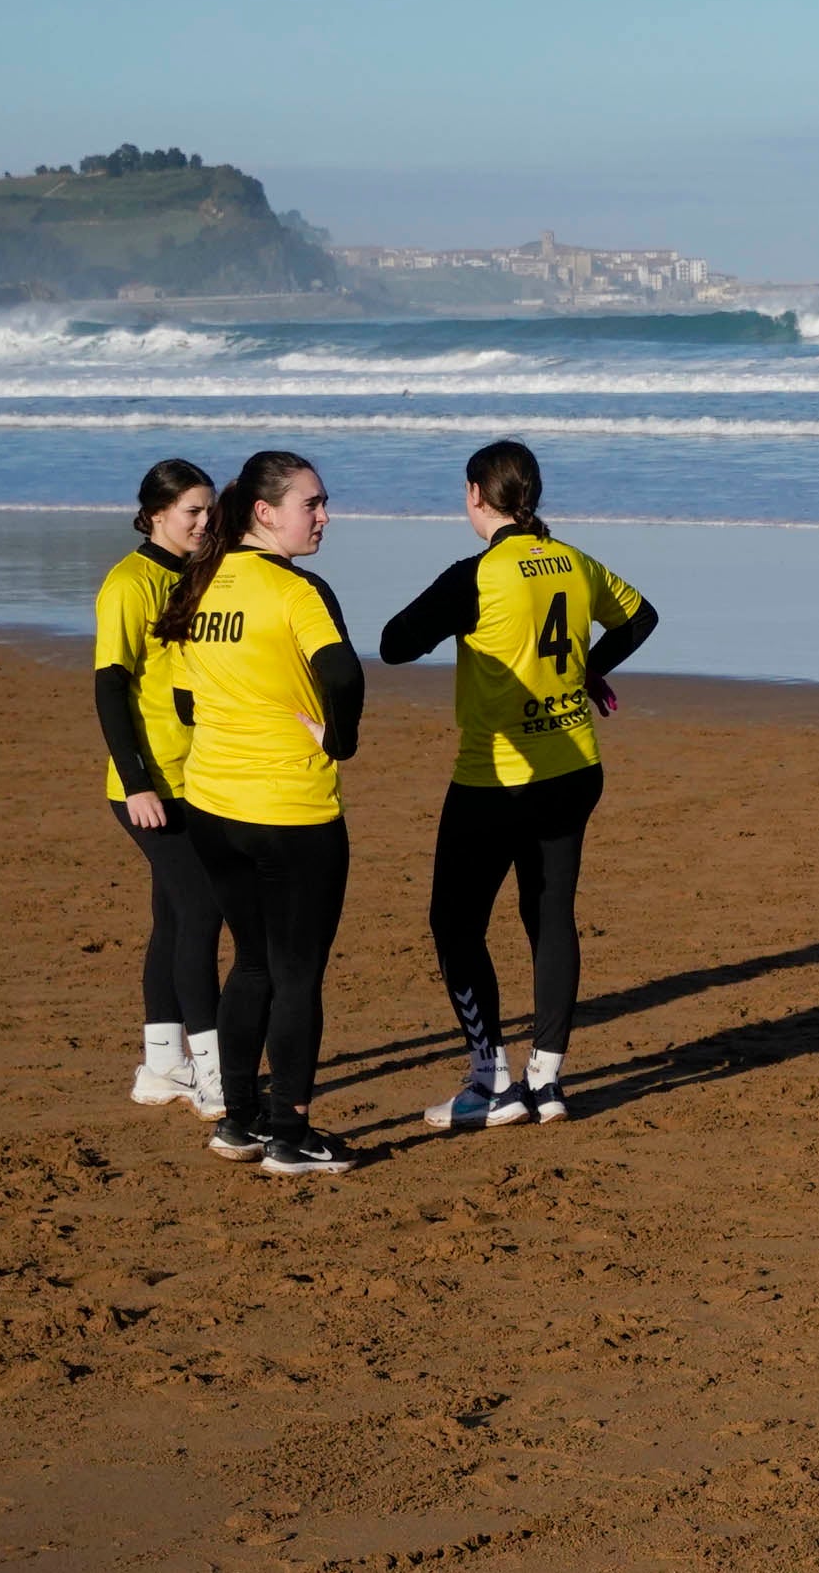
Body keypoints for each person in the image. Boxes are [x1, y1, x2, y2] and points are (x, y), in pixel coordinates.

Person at [379, 441, 661, 1131]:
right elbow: (641, 616)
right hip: (573, 769)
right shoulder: (571, 560)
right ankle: (548, 1080)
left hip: (496, 780)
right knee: (549, 915)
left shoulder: (475, 575)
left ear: (477, 494)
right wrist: (588, 668)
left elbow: (393, 643)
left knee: (454, 923)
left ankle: (492, 1080)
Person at [156, 450, 366, 1174]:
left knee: (251, 965)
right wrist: (339, 738)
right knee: (297, 973)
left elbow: (183, 695)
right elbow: (341, 670)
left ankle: (237, 1122)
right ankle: (292, 1135)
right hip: (291, 812)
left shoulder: (200, 580)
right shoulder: (295, 589)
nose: (324, 516)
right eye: (312, 504)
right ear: (264, 512)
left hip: (213, 805)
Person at [98, 458, 227, 1118]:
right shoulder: (130, 582)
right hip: (148, 788)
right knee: (203, 912)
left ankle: (162, 1064)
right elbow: (110, 688)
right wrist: (139, 782)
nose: (204, 523)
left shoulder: (205, 575)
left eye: (209, 510)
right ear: (153, 514)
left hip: (200, 779)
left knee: (176, 916)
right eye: (191, 513)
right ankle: (212, 1076)